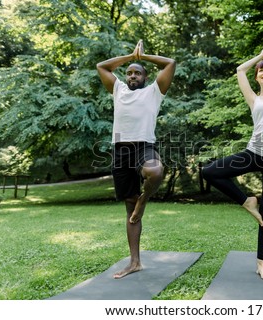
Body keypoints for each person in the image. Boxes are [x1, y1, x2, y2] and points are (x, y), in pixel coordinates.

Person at [202, 44, 263, 281]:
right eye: (261, 70)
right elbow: (239, 70)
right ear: (257, 77)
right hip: (253, 153)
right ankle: (247, 201)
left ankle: (261, 264)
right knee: (210, 171)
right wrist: (259, 57)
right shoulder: (253, 99)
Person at [96, 40, 176, 279]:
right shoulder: (118, 89)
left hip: (144, 146)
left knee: (155, 171)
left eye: (137, 73)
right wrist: (130, 57)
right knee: (129, 208)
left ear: (144, 76)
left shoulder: (154, 92)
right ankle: (135, 262)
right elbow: (102, 66)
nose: (132, 75)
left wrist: (142, 57)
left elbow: (170, 63)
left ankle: (145, 200)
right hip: (120, 150)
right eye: (129, 73)